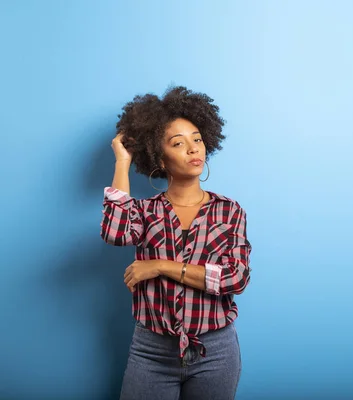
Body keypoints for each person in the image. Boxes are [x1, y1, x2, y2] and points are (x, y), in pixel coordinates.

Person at [100, 86, 252, 400]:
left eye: (197, 139)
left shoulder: (229, 211)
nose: (193, 149)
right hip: (151, 351)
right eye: (178, 143)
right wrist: (122, 162)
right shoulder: (144, 211)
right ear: (160, 157)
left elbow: (234, 278)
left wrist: (159, 266)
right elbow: (116, 233)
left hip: (216, 352)